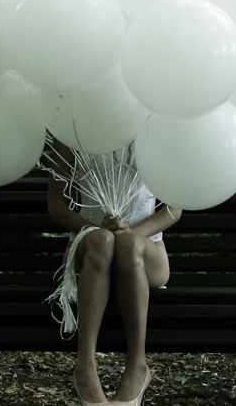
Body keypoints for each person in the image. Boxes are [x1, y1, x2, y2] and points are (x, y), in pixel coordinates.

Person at [46, 141, 182, 406]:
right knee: (103, 242)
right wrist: (96, 229)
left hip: (145, 247)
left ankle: (138, 367)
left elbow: (173, 210)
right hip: (90, 247)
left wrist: (129, 234)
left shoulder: (156, 126)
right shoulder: (73, 128)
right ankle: (84, 367)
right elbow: (56, 205)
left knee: (127, 245)